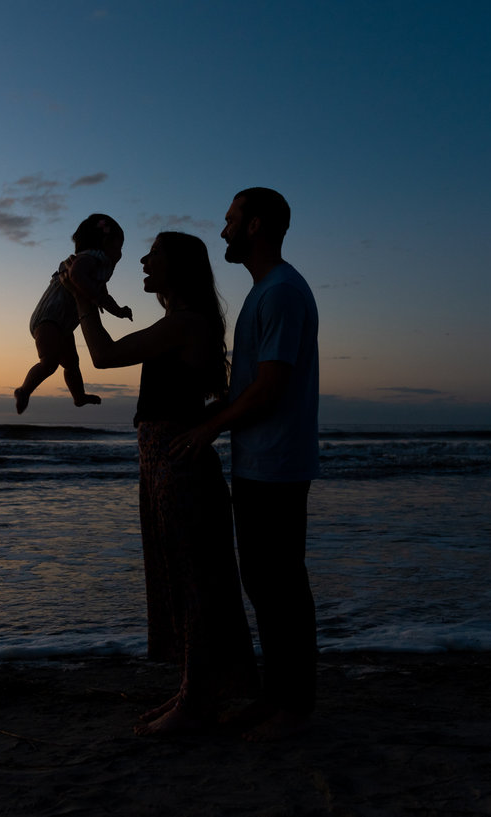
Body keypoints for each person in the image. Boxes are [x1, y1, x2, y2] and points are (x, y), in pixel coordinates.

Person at [68, 231, 258, 736]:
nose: (145, 261)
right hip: (161, 463)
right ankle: (194, 692)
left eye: (156, 255)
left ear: (180, 267)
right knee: (179, 578)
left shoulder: (186, 324)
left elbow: (104, 356)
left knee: (192, 581)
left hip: (176, 465)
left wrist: (82, 296)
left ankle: (196, 702)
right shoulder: (180, 322)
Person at [174, 187, 319, 742]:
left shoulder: (281, 292)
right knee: (266, 583)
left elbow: (271, 390)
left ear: (255, 225)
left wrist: (211, 426)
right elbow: (253, 387)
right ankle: (277, 698)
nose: (223, 230)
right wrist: (214, 409)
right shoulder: (266, 291)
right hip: (262, 461)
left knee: (281, 585)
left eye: (231, 220)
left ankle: (294, 708)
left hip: (276, 464)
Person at [15, 214, 132, 414]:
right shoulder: (89, 258)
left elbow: (104, 297)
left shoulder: (97, 271)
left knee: (71, 364)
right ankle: (24, 390)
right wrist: (94, 297)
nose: (120, 255)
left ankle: (79, 397)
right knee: (49, 363)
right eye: (119, 248)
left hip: (64, 325)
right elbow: (77, 276)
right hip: (49, 318)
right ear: (105, 243)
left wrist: (119, 311)